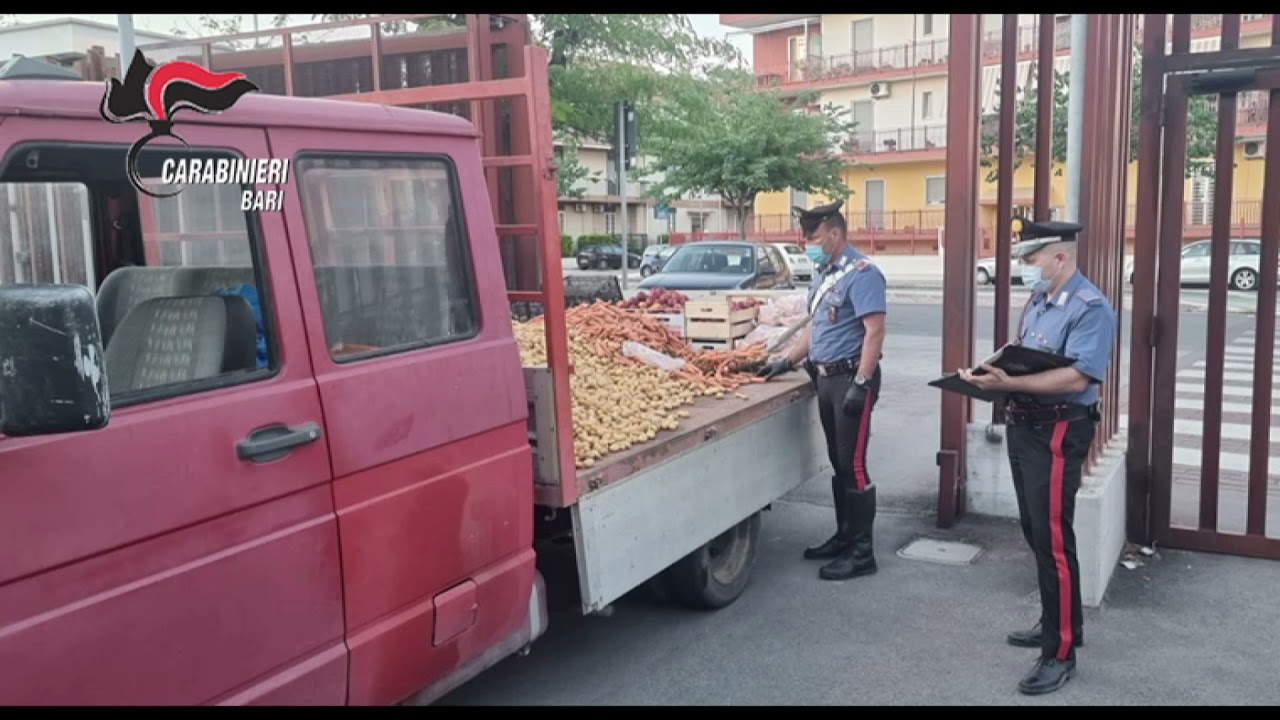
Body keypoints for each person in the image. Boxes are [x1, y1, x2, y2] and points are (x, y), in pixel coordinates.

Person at [958, 217, 1117, 696]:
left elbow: (1076, 378)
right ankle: (1058, 621)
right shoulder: (1039, 299)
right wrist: (990, 372)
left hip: (1058, 428)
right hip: (1026, 425)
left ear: (1060, 257)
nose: (1025, 267)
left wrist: (1010, 384)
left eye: (1031, 259)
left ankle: (1060, 650)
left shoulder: (1090, 308)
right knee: (1033, 529)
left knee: (1052, 538)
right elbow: (1028, 356)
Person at [757, 200, 887, 581]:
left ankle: (863, 554)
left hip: (851, 379)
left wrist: (862, 383)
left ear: (834, 233)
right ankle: (845, 536)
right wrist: (789, 359)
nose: (806, 243)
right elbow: (817, 327)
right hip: (826, 379)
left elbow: (875, 331)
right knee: (838, 460)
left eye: (812, 237)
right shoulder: (824, 273)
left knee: (854, 464)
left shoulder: (862, 274)